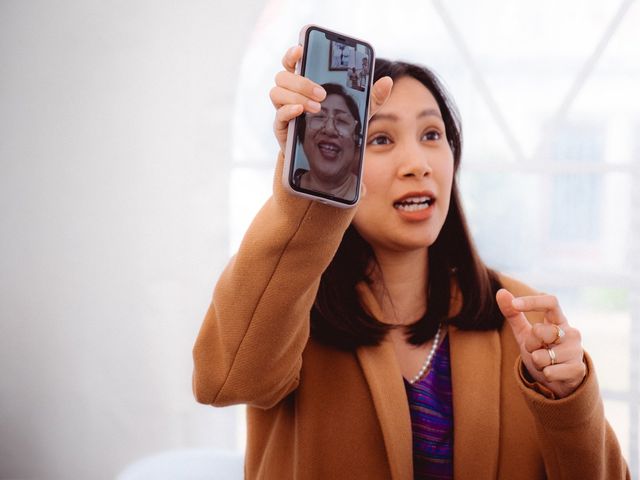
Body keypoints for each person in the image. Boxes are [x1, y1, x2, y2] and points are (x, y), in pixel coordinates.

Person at [192, 44, 629, 479]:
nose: (418, 164)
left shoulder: (520, 317)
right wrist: (307, 195)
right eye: (381, 139)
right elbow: (222, 381)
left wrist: (567, 397)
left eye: (432, 135)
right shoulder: (287, 308)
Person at [294, 82, 361, 200]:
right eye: (319, 117)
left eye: (342, 120)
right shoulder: (288, 187)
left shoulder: (371, 199)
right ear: (302, 132)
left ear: (355, 138)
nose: (330, 130)